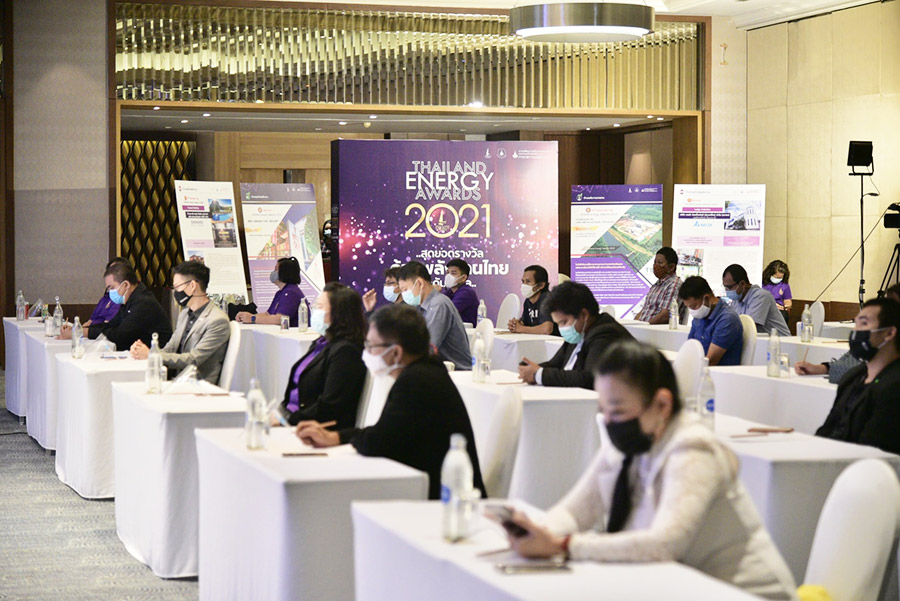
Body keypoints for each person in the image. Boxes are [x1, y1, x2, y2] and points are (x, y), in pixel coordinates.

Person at [500, 340, 798, 601]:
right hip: (680, 587)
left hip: (740, 594)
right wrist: (536, 533)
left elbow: (664, 544)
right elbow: (577, 511)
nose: (609, 421)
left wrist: (564, 546)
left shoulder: (693, 449)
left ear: (662, 404)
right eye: (604, 409)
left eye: (618, 410)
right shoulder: (628, 440)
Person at [296, 304, 487, 500]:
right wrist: (335, 437)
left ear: (396, 353)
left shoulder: (416, 381)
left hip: (445, 503)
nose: (366, 352)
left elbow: (378, 442)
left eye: (371, 346)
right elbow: (386, 431)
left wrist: (336, 438)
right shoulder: (426, 369)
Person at [275, 282, 367, 427]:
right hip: (292, 418)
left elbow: (329, 406)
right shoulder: (321, 342)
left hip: (313, 428)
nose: (315, 311)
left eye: (320, 307)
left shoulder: (346, 352)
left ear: (338, 313)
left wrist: (286, 421)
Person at [815, 297, 900, 454]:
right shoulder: (853, 377)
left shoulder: (894, 387)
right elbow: (829, 427)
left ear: (889, 332)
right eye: (856, 324)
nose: (856, 331)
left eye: (864, 323)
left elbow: (874, 448)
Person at [518, 281, 632, 389]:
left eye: (564, 322)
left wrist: (540, 374)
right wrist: (530, 370)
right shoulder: (578, 332)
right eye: (558, 324)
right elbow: (555, 363)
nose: (562, 328)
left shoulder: (605, 334)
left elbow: (589, 378)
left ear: (584, 315)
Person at [129, 261, 231, 383]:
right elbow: (170, 348)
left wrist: (152, 355)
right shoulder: (184, 314)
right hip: (177, 380)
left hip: (198, 385)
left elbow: (193, 359)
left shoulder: (217, 320)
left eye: (177, 287)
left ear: (192, 285)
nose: (176, 292)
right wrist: (144, 351)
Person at [795, 284, 900, 382]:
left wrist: (833, 370)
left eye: (864, 323)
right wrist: (821, 368)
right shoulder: (869, 344)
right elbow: (847, 361)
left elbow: (847, 372)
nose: (888, 308)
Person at [61, 262, 172, 350]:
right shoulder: (129, 300)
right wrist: (81, 329)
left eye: (112, 287)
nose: (110, 292)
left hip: (155, 359)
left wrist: (84, 333)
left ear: (126, 285)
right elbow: (111, 325)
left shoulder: (144, 302)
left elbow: (120, 334)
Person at [397, 261, 472, 371]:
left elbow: (428, 348)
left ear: (419, 283)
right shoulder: (421, 306)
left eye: (405, 289)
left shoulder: (439, 304)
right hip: (437, 368)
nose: (404, 294)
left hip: (457, 372)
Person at [679, 276, 743, 366]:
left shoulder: (727, 319)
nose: (692, 311)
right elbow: (690, 347)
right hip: (699, 368)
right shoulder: (700, 315)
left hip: (718, 372)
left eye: (693, 306)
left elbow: (710, 361)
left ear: (706, 298)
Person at [235, 257, 307, 326]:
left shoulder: (291, 293)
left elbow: (280, 319)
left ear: (284, 272)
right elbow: (268, 314)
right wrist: (246, 316)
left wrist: (252, 318)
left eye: (276, 269)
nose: (273, 272)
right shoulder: (281, 293)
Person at [723, 264, 790, 337]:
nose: (727, 291)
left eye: (729, 287)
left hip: (780, 342)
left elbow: (748, 327)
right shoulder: (736, 299)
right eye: (725, 287)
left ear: (742, 284)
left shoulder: (761, 296)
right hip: (759, 342)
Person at [634, 247, 683, 325]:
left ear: (671, 267)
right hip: (643, 328)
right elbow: (644, 310)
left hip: (655, 330)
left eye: (660, 262)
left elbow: (665, 316)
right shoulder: (656, 285)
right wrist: (634, 324)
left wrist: (645, 326)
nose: (656, 265)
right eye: (655, 262)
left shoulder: (674, 285)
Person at [508, 264, 558, 335]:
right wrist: (515, 324)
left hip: (556, 341)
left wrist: (521, 329)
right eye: (523, 281)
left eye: (528, 281)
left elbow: (547, 329)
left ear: (541, 285)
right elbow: (524, 323)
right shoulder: (528, 301)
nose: (524, 285)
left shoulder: (547, 299)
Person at [83, 257, 129, 328]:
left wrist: (85, 331)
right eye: (110, 270)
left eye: (115, 270)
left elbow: (106, 327)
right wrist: (76, 329)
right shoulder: (104, 299)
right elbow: (89, 322)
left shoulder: (120, 300)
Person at [440, 258, 479, 325]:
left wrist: (433, 293)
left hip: (467, 330)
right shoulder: (449, 292)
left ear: (463, 278)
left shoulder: (467, 292)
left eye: (453, 273)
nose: (448, 276)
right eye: (448, 273)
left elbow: (446, 313)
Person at [761, 260, 792, 324]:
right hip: (765, 309)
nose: (778, 279)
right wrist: (772, 305)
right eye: (777, 277)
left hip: (779, 311)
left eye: (780, 277)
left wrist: (786, 306)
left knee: (783, 315)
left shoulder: (784, 284)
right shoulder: (762, 283)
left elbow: (787, 300)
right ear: (770, 274)